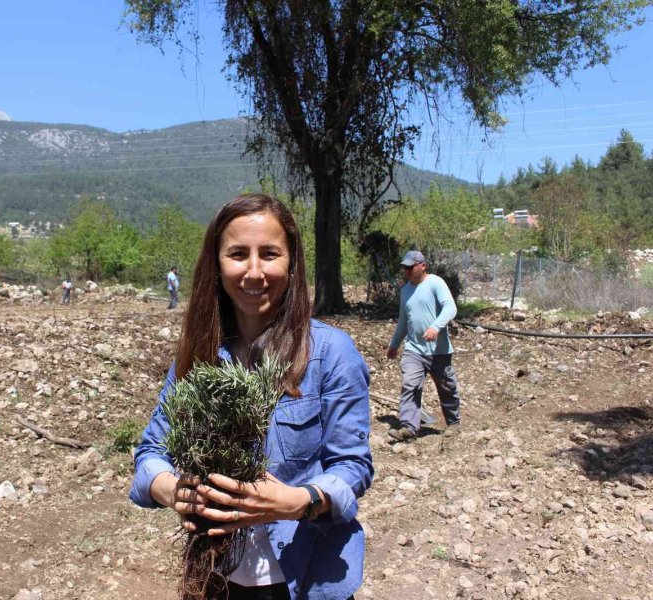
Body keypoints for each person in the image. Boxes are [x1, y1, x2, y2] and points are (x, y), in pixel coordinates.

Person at [131, 194, 373, 600]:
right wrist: (172, 489)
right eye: (238, 254)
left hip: (307, 578)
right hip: (217, 578)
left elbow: (353, 465)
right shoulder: (198, 353)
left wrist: (298, 500)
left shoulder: (332, 353)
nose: (255, 272)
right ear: (217, 263)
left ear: (291, 264)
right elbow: (151, 451)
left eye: (271, 254)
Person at [386, 250, 462, 442]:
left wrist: (436, 327)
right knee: (409, 385)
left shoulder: (435, 283)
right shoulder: (405, 291)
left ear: (422, 266)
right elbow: (404, 320)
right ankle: (408, 428)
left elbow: (450, 308)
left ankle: (453, 423)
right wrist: (394, 344)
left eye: (411, 267)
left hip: (439, 350)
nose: (408, 271)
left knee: (447, 387)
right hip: (414, 349)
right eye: (405, 268)